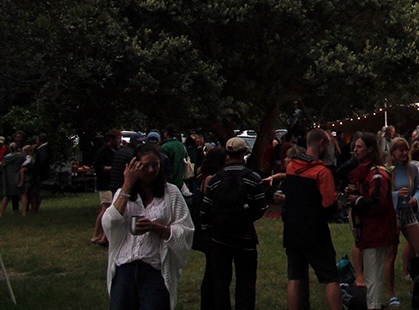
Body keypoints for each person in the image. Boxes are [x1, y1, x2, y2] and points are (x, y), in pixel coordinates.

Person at [103, 142, 194, 310]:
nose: (151, 170)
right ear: (134, 167)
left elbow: (186, 230)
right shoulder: (124, 193)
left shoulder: (171, 193)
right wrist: (127, 185)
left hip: (155, 268)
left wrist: (156, 228)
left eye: (155, 165)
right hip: (125, 267)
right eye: (145, 166)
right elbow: (110, 223)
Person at [197, 137, 267, 310]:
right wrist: (247, 219)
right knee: (246, 282)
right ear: (244, 154)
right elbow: (262, 207)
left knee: (221, 284)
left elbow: (205, 210)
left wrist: (208, 231)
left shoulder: (215, 180)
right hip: (245, 238)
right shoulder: (253, 178)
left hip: (220, 239)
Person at [281, 129, 342, 310]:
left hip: (292, 230)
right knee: (330, 278)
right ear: (322, 143)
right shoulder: (322, 171)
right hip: (315, 233)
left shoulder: (291, 167)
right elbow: (329, 204)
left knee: (295, 277)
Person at [345, 133, 398, 310]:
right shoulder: (370, 173)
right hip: (371, 231)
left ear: (370, 149)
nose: (355, 150)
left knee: (373, 276)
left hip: (377, 231)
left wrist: (357, 200)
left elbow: (378, 204)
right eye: (355, 146)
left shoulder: (377, 174)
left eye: (359, 147)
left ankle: (374, 306)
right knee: (371, 275)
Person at [384, 139, 419, 302]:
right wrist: (396, 195)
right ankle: (391, 293)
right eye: (400, 150)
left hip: (408, 213)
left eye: (405, 150)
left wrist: (416, 197)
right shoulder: (388, 171)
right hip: (393, 215)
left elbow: (418, 188)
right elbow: (382, 194)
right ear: (393, 153)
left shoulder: (413, 169)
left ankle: (417, 287)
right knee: (391, 254)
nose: (403, 154)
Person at [92, 130, 121, 245]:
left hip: (113, 183)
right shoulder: (103, 151)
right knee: (105, 209)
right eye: (117, 138)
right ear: (111, 139)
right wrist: (113, 168)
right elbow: (98, 168)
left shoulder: (117, 151)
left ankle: (104, 235)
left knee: (111, 209)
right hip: (104, 184)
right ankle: (96, 234)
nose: (119, 141)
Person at [160, 125, 189, 190]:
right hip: (180, 181)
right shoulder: (182, 146)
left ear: (166, 133)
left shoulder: (165, 147)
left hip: (168, 182)